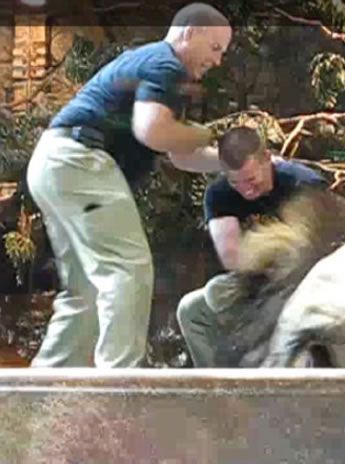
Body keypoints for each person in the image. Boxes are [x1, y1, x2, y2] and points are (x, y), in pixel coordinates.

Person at [26, 3, 233, 368]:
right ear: (191, 32)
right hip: (81, 160)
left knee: (84, 290)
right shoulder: (166, 63)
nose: (217, 61)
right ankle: (120, 381)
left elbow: (179, 154)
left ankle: (46, 385)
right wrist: (205, 133)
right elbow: (152, 130)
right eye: (215, 48)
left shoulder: (153, 65)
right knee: (127, 268)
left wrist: (230, 161)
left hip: (54, 162)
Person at [176, 126, 327, 367]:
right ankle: (220, 384)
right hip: (255, 282)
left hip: (304, 280)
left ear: (267, 158)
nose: (246, 189)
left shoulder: (303, 184)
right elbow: (233, 260)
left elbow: (316, 250)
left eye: (251, 179)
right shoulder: (220, 194)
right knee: (192, 310)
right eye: (235, 182)